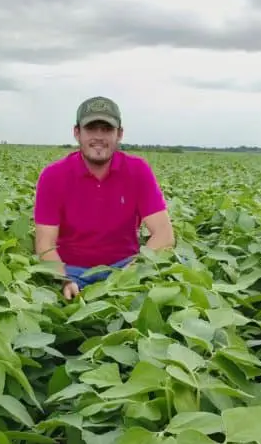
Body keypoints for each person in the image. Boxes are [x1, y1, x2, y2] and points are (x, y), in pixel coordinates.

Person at [33, 96, 175, 300]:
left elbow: (164, 234)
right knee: (38, 294)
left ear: (119, 134)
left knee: (182, 267)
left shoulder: (137, 170)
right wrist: (64, 279)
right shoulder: (53, 176)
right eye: (91, 128)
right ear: (77, 133)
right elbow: (45, 242)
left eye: (107, 129)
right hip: (72, 272)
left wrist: (130, 274)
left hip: (125, 267)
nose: (99, 136)